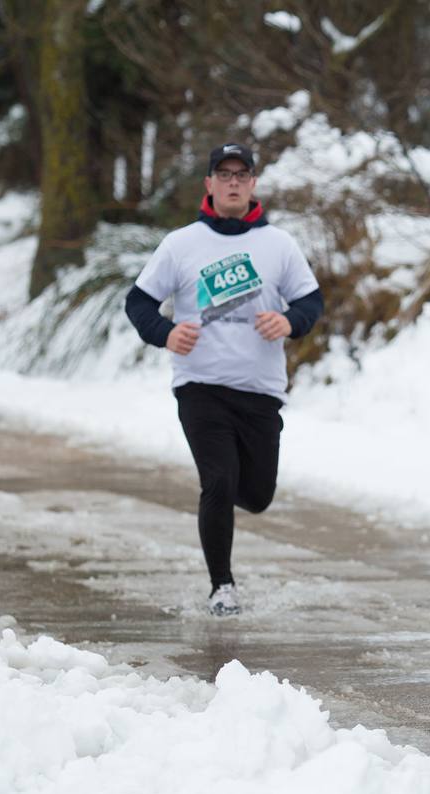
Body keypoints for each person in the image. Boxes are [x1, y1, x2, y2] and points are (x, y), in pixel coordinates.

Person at [124, 143, 324, 616]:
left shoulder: (278, 245)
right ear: (209, 185)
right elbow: (138, 303)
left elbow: (311, 302)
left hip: (259, 390)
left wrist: (289, 322)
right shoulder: (181, 244)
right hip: (201, 386)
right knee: (217, 480)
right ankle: (222, 587)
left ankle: (231, 491)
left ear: (253, 184)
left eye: (242, 173)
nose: (233, 181)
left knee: (255, 494)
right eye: (223, 173)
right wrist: (167, 333)